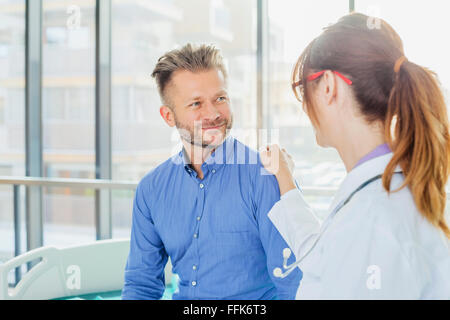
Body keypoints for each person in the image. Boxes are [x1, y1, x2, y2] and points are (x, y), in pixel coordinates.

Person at [261, 13, 450, 299]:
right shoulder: (395, 195)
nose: (304, 107)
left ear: (328, 86)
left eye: (303, 89)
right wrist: (285, 181)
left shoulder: (372, 221)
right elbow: (327, 260)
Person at [121, 43, 301, 300]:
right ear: (168, 116)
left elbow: (293, 284)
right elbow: (141, 285)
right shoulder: (151, 190)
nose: (214, 113)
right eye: (196, 104)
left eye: (220, 98)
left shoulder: (267, 178)